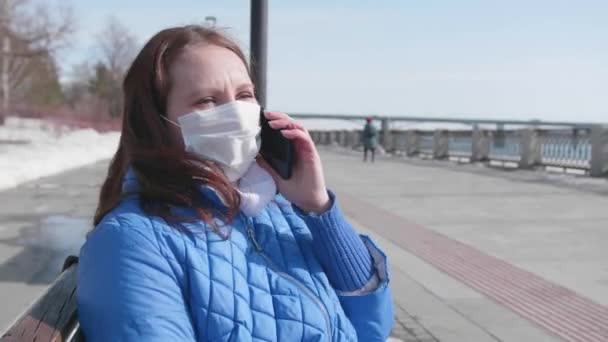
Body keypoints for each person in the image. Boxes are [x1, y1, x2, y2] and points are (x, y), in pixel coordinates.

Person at [77, 25, 393, 342]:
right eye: (206, 100)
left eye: (244, 95)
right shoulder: (134, 239)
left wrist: (318, 208)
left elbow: (371, 325)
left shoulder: (276, 206)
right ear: (156, 123)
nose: (236, 113)